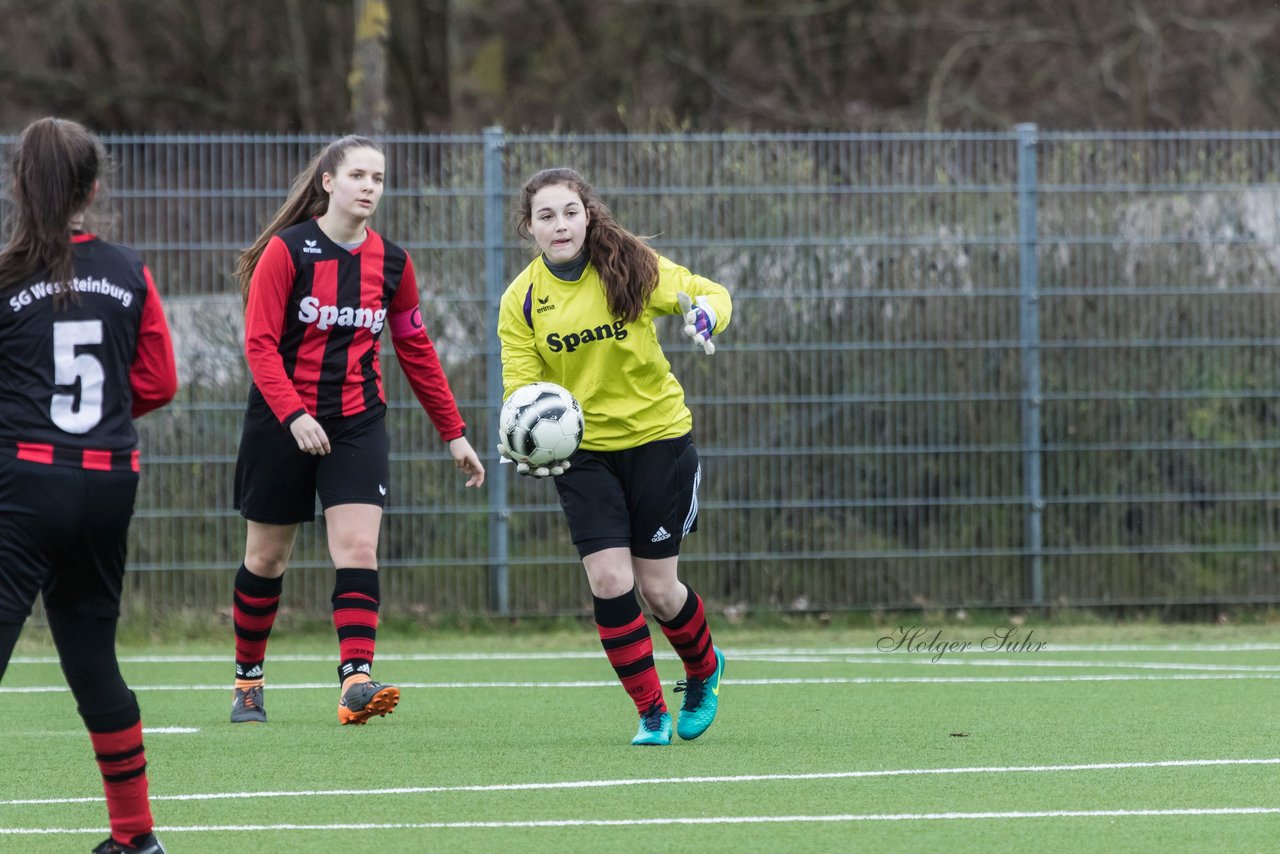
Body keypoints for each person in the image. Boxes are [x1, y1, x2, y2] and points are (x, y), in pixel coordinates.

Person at [230, 135, 484, 726]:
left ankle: (356, 681)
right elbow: (259, 345)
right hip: (281, 421)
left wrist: (454, 432)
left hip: (356, 422)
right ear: (329, 182)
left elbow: (416, 348)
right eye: (359, 176)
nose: (370, 187)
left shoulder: (393, 262)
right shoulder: (287, 252)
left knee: (358, 548)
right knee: (267, 559)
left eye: (379, 178)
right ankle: (248, 681)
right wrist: (294, 415)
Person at [497, 167, 731, 746]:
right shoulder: (521, 300)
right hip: (584, 454)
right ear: (529, 227)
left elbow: (708, 293)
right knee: (607, 578)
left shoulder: (631, 266)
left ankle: (703, 670)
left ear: (587, 215)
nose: (560, 225)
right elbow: (521, 389)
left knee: (659, 590)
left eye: (570, 212)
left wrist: (706, 315)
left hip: (658, 440)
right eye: (546, 216)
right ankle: (650, 712)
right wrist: (521, 434)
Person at [0, 118, 177, 854]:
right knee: (93, 657)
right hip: (108, 483)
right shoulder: (131, 269)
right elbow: (159, 381)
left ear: (19, 185)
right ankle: (136, 838)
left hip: (26, 484)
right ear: (93, 189)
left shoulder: (6, 276)